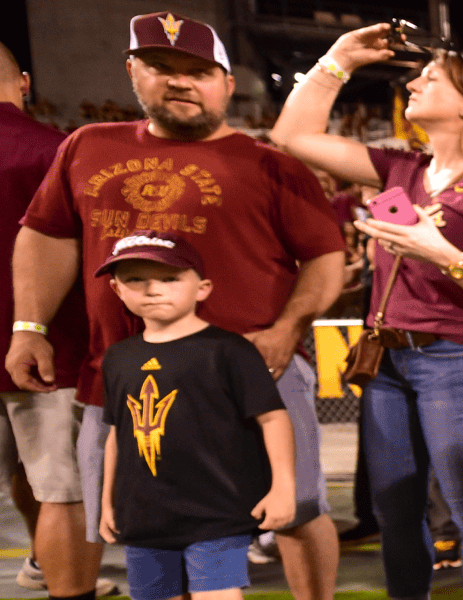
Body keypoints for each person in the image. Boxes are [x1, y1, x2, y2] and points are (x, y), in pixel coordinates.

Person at [10, 13, 345, 600]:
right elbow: (46, 236)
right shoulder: (87, 146)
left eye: (198, 71)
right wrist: (28, 325)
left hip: (250, 372)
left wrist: (287, 329)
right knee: (112, 515)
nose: (180, 81)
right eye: (161, 67)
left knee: (296, 510)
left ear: (226, 82)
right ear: (133, 71)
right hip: (118, 377)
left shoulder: (270, 164)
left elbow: (325, 257)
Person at [270, 21, 463, 600]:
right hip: (387, 363)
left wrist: (439, 254)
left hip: (457, 360)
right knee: (395, 512)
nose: (414, 82)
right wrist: (338, 58)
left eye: (432, 77)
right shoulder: (403, 170)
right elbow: (291, 134)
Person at [94, 232, 294, 600]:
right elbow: (117, 434)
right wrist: (107, 501)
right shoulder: (118, 358)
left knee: (217, 595)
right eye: (136, 279)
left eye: (169, 279)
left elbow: (273, 418)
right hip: (143, 514)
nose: (153, 289)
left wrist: (283, 486)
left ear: (202, 288)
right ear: (117, 289)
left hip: (217, 510)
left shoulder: (228, 350)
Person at [0, 40, 118, 600]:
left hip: (37, 346)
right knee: (65, 491)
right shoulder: (61, 151)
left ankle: (42, 564)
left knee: (41, 481)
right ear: (24, 82)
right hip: (51, 348)